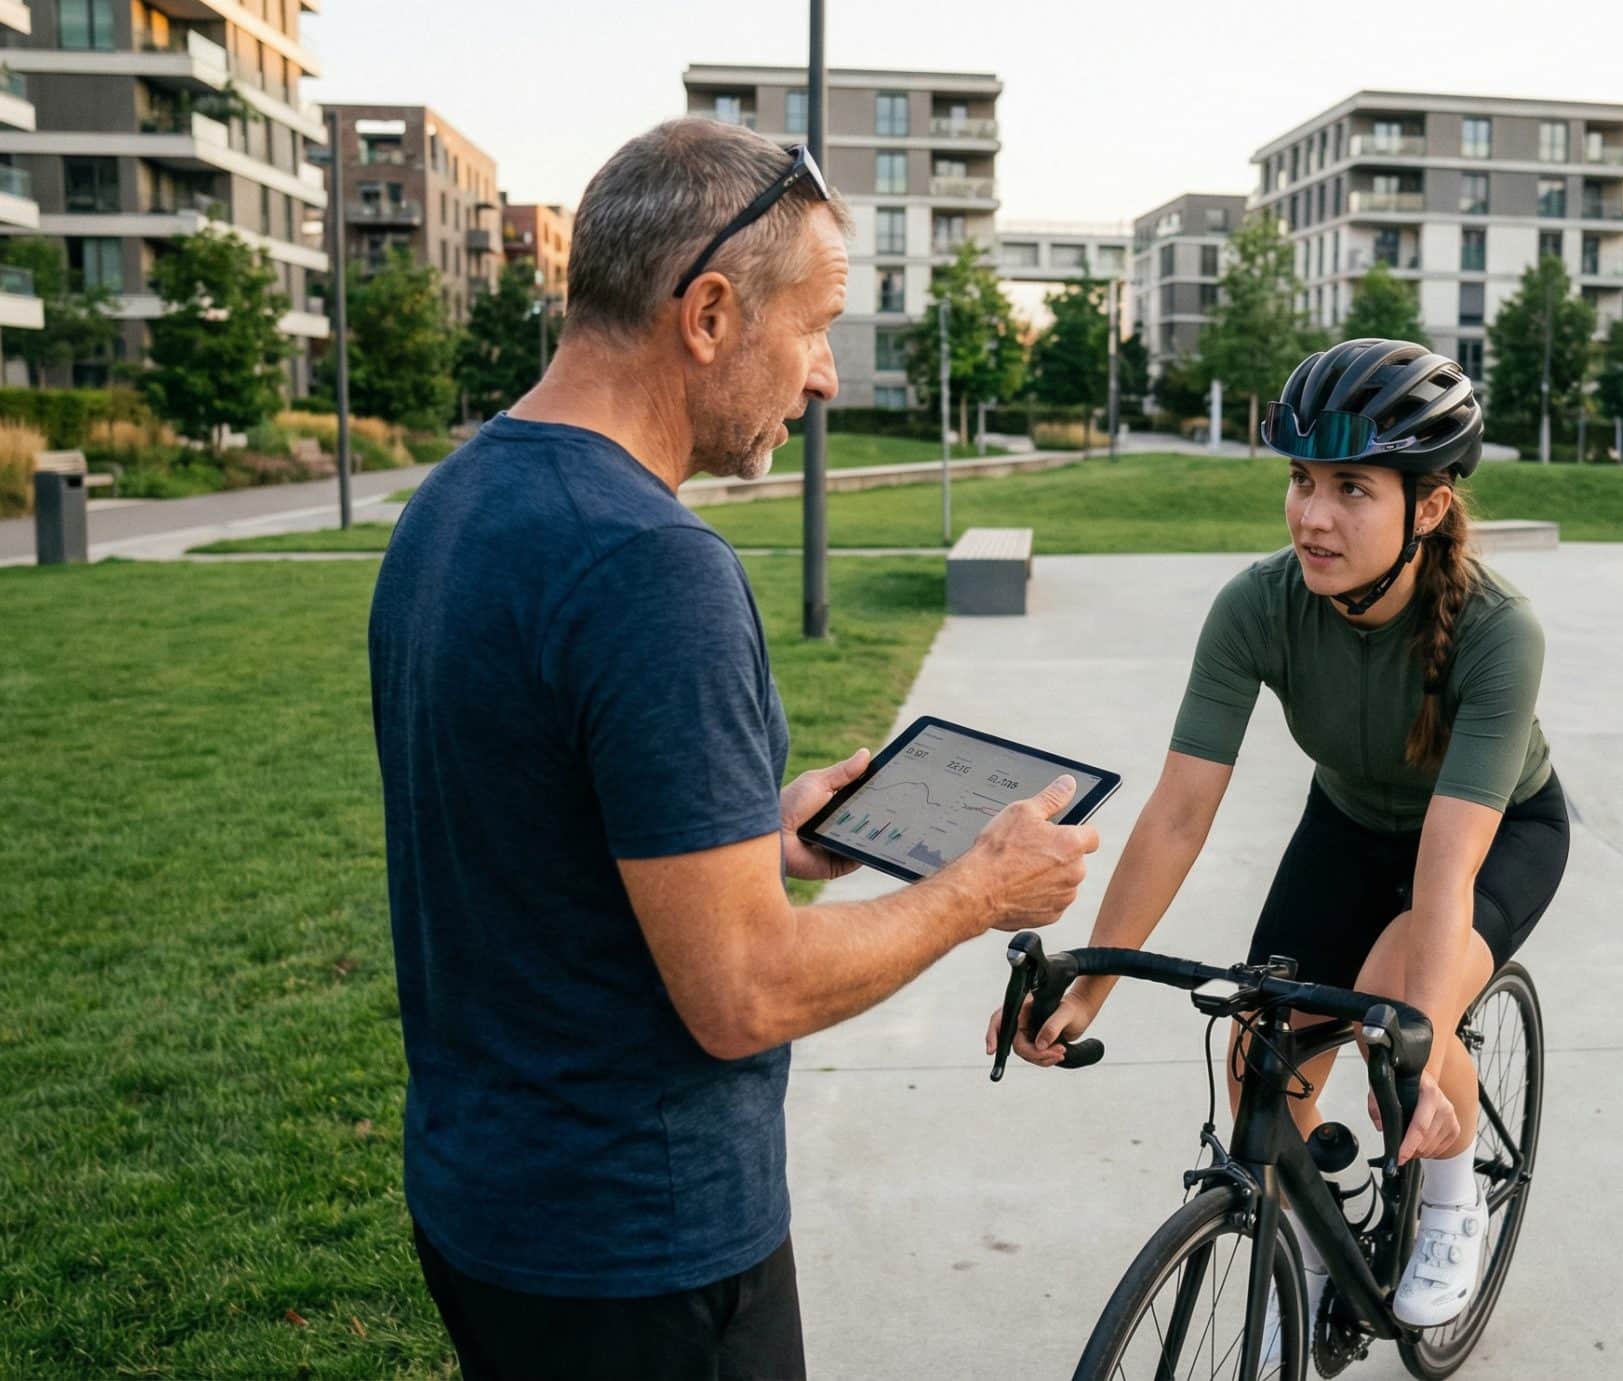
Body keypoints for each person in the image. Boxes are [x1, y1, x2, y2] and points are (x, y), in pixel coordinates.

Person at [369, 117, 1098, 1378]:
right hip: (638, 1248)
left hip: (482, 1202)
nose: (823, 376)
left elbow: (527, 837)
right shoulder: (655, 568)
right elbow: (744, 993)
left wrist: (763, 835)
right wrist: (978, 891)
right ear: (706, 316)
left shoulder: (458, 499)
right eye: (813, 328)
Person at [991, 338, 1568, 1338]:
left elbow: (1445, 863)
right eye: (1302, 480)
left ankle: (1447, 1203)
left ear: (1427, 508)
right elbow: (1177, 812)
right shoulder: (1257, 606)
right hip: (1347, 821)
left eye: (1351, 487)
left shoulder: (1497, 631)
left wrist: (1416, 1061)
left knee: (1396, 1006)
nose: (1312, 513)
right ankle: (1306, 1248)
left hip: (1493, 834)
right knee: (1261, 1046)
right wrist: (1090, 986)